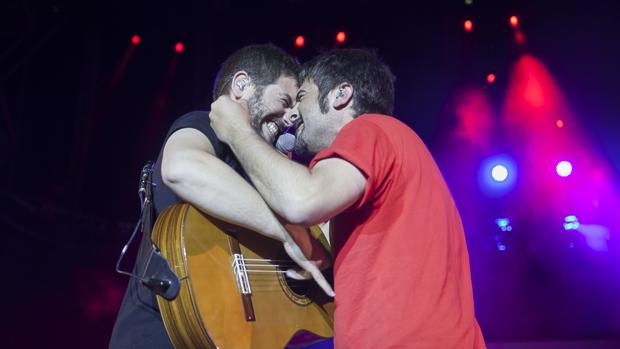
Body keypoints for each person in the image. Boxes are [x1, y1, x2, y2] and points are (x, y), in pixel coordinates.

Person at [209, 48, 486, 348]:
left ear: (341, 94)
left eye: (301, 97)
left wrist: (237, 130)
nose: (293, 114)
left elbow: (303, 201)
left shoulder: (368, 129)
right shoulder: (389, 150)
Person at [109, 44, 332, 349]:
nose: (293, 115)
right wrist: (287, 233)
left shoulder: (265, 166)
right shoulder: (202, 124)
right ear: (241, 86)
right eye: (284, 99)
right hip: (160, 335)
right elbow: (181, 167)